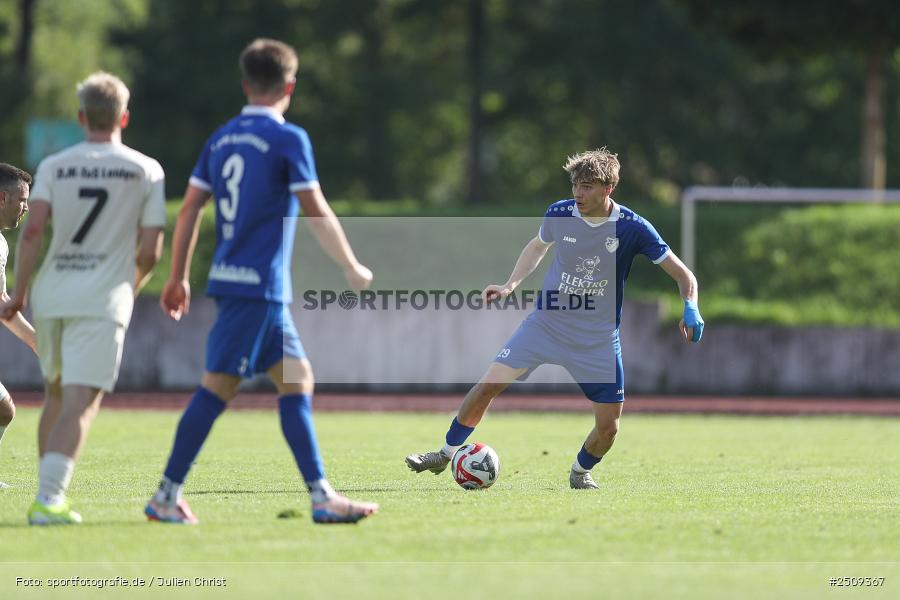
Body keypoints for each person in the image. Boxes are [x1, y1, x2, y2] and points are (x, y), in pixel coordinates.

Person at [145, 38, 378, 525]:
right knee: (218, 387)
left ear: (246, 83)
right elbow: (315, 210)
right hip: (257, 289)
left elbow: (190, 208)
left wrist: (179, 276)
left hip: (248, 287)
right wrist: (351, 265)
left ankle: (321, 495)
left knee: (297, 380)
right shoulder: (288, 138)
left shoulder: (222, 137)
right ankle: (165, 495)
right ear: (289, 85)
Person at [406, 148, 704, 489]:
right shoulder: (560, 213)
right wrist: (510, 284)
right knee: (487, 385)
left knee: (609, 427)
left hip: (597, 339)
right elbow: (537, 246)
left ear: (609, 189)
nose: (578, 192)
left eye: (588, 185)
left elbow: (684, 275)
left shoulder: (633, 228)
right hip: (546, 326)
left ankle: (580, 473)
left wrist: (690, 305)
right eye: (576, 183)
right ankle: (444, 454)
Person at [0, 72, 166, 524]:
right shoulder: (146, 169)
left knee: (54, 396)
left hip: (54, 292)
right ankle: (49, 500)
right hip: (101, 295)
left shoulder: (55, 166)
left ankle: (45, 495)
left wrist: (20, 292)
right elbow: (151, 251)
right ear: (124, 117)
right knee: (82, 400)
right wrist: (125, 291)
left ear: (80, 117)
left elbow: (33, 231)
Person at [0, 163, 39, 489]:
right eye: (22, 199)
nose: (26, 207)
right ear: (2, 198)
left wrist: (35, 341)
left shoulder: (1, 244)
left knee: (3, 410)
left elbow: (1, 301)